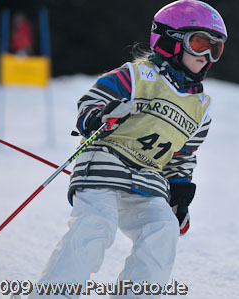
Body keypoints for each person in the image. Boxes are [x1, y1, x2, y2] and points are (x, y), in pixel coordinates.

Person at [28, 1, 227, 298]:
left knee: (162, 231)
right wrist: (99, 115)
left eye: (216, 48)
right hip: (105, 166)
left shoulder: (200, 109)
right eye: (199, 43)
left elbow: (182, 156)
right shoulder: (136, 76)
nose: (207, 56)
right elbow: (90, 103)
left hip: (148, 181)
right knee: (95, 228)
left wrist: (179, 195)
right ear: (171, 39)